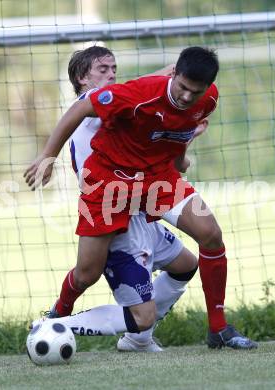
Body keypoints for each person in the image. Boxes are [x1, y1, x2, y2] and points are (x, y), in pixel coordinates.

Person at [25, 46, 257, 349]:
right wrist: (47, 156)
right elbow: (90, 106)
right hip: (108, 186)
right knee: (86, 273)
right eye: (102, 69)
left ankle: (217, 328)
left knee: (209, 233)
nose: (188, 96)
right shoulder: (126, 95)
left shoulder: (205, 99)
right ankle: (58, 319)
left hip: (156, 178)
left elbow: (174, 128)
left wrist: (179, 161)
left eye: (195, 92)